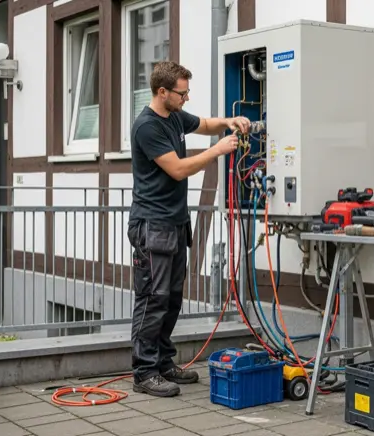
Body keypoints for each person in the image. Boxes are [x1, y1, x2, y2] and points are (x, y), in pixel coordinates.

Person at [127, 61, 251, 397]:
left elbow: (207, 124)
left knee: (171, 300)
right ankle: (144, 372)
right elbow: (179, 169)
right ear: (162, 92)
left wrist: (228, 121)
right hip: (152, 225)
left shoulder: (176, 115)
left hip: (174, 224)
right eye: (182, 93)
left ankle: (164, 363)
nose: (187, 98)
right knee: (153, 298)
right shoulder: (147, 127)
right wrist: (217, 150)